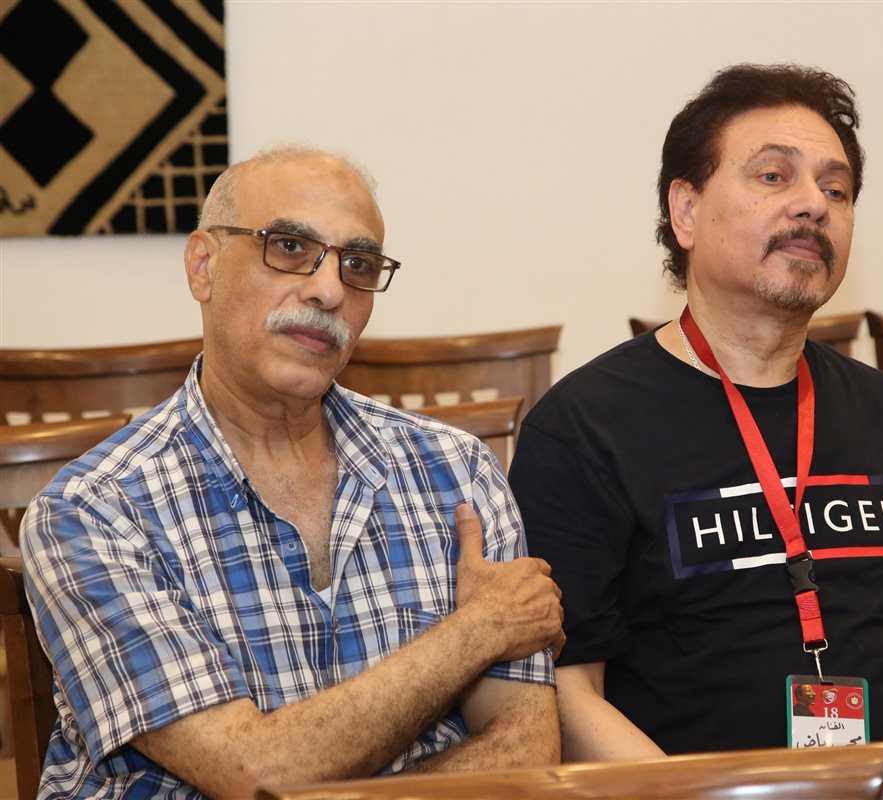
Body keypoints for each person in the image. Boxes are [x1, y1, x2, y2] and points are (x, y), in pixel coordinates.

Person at [507, 64, 883, 799]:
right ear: (686, 211)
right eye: (774, 177)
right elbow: (567, 690)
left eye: (836, 190)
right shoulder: (584, 427)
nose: (813, 204)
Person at [21, 145, 565, 798]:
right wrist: (477, 632)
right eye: (288, 247)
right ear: (203, 265)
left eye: (357, 264)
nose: (329, 290)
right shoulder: (94, 510)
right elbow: (254, 774)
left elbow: (525, 750)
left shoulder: (458, 473)